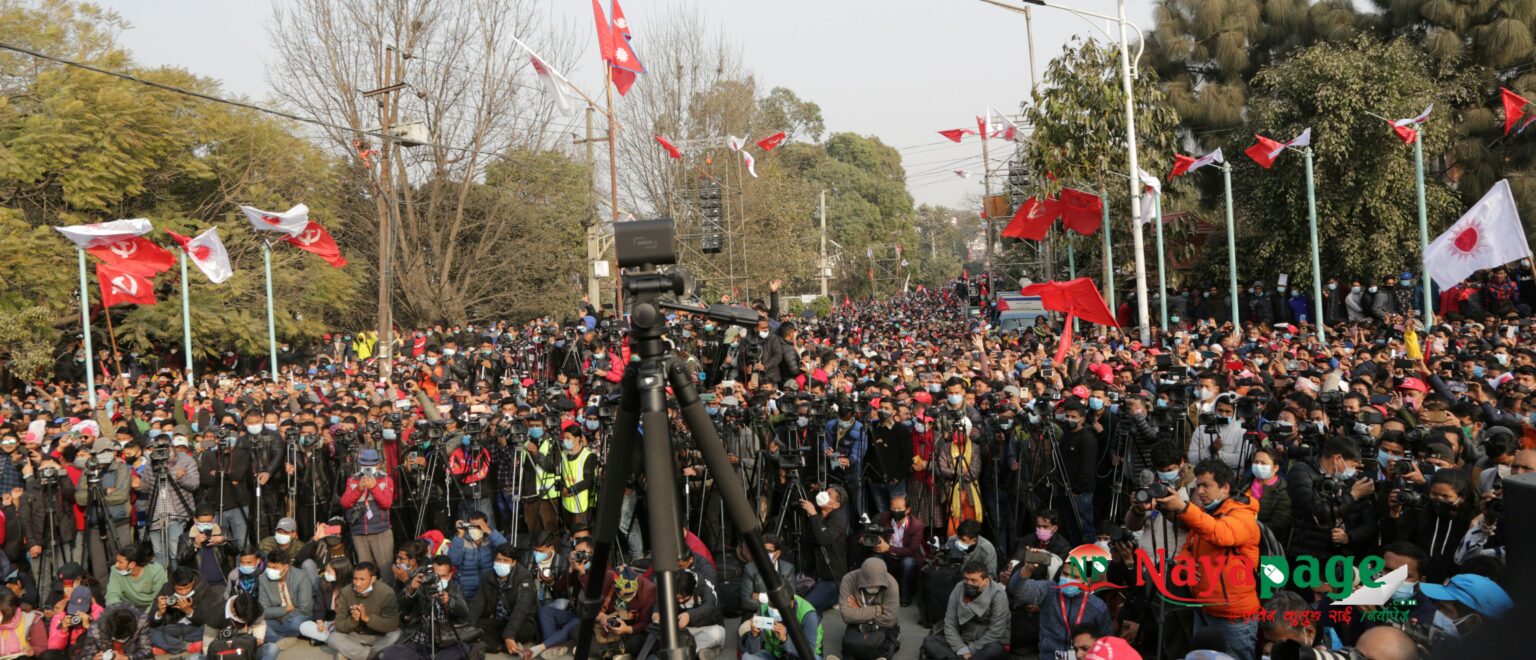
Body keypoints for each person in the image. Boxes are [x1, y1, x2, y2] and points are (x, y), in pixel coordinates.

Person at [1149, 459, 1260, 660]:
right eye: (1198, 485)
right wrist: (1186, 564)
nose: (1200, 491)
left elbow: (1220, 533)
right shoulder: (1206, 514)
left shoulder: (1242, 516)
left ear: (1225, 487)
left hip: (1235, 617)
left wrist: (1184, 508)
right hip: (1204, 610)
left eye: (1206, 485)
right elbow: (1187, 549)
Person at [921, 557, 1010, 660]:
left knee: (994, 650)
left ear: (985, 581)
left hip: (987, 643)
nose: (969, 583)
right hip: (964, 639)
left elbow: (996, 632)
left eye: (973, 580)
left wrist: (971, 649)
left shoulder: (998, 594)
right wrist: (961, 649)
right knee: (930, 641)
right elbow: (950, 623)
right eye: (966, 579)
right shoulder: (959, 588)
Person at [135, 435, 199, 569]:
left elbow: (194, 484)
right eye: (157, 448)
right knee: (158, 551)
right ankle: (161, 580)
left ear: (171, 446)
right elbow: (146, 487)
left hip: (177, 513)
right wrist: (138, 485)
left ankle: (177, 577)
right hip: (155, 512)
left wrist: (182, 478)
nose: (161, 451)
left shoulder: (186, 461)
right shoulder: (151, 462)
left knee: (175, 550)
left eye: (165, 447)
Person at [75, 439, 134, 584]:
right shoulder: (88, 471)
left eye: (110, 451)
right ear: (95, 453)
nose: (107, 454)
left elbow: (121, 496)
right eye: (103, 451)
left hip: (118, 523)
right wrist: (105, 491)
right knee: (99, 569)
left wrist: (94, 497)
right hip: (95, 525)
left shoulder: (121, 468)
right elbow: (80, 499)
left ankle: (126, 593)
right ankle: (104, 596)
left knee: (124, 564)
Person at [327, 562, 402, 660]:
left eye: (362, 579)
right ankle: (372, 656)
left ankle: (353, 654)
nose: (357, 583)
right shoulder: (346, 592)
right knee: (332, 638)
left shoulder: (386, 593)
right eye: (355, 579)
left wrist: (367, 618)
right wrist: (353, 620)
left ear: (373, 579)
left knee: (397, 634)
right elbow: (339, 625)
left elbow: (392, 624)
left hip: (379, 637)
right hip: (355, 636)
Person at [147, 567, 223, 655]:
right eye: (179, 589)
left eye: (187, 588)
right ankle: (186, 646)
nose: (183, 592)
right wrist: (159, 612)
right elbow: (152, 620)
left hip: (195, 629)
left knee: (211, 628)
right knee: (147, 631)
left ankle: (168, 645)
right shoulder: (166, 588)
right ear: (173, 584)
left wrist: (189, 611)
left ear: (193, 582)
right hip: (172, 627)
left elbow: (206, 619)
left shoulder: (204, 589)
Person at [796, 485, 848, 611]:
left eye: (829, 494)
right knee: (791, 599)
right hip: (813, 575)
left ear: (835, 505)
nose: (824, 494)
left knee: (803, 607)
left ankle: (836, 597)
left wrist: (813, 515)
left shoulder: (839, 519)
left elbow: (824, 538)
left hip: (832, 578)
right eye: (825, 491)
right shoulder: (818, 512)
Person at [837, 557, 900, 660]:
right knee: (849, 645)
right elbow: (846, 615)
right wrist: (878, 609)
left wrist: (858, 611)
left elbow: (890, 620)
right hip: (861, 624)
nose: (873, 587)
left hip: (878, 625)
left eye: (877, 585)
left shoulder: (891, 584)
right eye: (869, 585)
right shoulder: (848, 580)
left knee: (881, 646)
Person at [870, 494, 924, 606]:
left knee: (908, 562)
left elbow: (911, 550)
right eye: (893, 508)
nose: (895, 511)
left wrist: (888, 548)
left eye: (899, 509)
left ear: (907, 510)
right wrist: (865, 538)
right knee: (875, 558)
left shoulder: (916, 525)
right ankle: (876, 594)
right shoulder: (884, 517)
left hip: (906, 556)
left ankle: (905, 596)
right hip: (888, 555)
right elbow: (869, 530)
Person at [740, 591, 822, 660]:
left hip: (800, 656)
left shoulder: (807, 615)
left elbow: (808, 654)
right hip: (776, 655)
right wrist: (754, 635)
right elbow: (752, 650)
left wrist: (785, 639)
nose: (773, 610)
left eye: (777, 607)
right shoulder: (763, 610)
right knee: (747, 657)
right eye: (770, 605)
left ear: (791, 603)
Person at [256, 551, 313, 647]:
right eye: (268, 567)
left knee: (295, 623)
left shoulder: (301, 576)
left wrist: (282, 618)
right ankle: (281, 640)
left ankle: (275, 638)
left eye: (274, 568)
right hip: (276, 618)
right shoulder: (263, 578)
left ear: (286, 567)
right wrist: (285, 609)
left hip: (297, 616)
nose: (270, 570)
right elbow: (263, 610)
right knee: (259, 624)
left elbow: (305, 608)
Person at [446, 511, 505, 601]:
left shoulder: (490, 540)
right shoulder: (461, 540)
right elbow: (453, 561)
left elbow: (506, 548)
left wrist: (489, 531)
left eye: (478, 526)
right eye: (472, 526)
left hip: (488, 591)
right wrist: (459, 535)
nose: (474, 529)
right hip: (465, 592)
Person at [740, 534, 796, 615]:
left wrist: (761, 597)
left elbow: (791, 600)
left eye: (767, 551)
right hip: (756, 615)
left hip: (782, 616)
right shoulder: (749, 569)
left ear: (777, 553)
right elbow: (746, 602)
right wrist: (776, 601)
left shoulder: (788, 569)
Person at [77, 602, 153, 660]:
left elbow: (146, 649)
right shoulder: (96, 627)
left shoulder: (141, 622)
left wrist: (127, 658)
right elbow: (86, 653)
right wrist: (93, 658)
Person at [105, 544, 168, 611]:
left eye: (120, 562)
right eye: (117, 561)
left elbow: (158, 599)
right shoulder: (115, 570)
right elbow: (112, 594)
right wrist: (117, 612)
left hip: (150, 606)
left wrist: (146, 615)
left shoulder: (156, 571)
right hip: (126, 606)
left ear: (132, 564)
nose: (116, 565)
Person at [41, 586, 98, 660]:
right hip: (68, 653)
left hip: (88, 652)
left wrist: (88, 626)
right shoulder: (61, 616)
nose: (77, 614)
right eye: (74, 609)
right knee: (48, 656)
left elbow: (104, 642)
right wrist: (63, 630)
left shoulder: (97, 614)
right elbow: (53, 648)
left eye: (82, 610)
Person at [557, 427, 597, 528]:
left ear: (578, 438)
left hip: (581, 503)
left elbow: (588, 481)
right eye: (564, 438)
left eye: (568, 438)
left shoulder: (588, 456)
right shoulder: (563, 454)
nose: (565, 441)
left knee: (580, 531)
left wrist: (570, 490)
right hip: (566, 502)